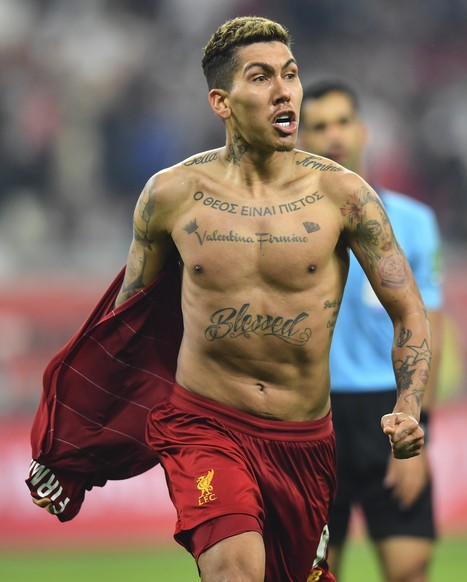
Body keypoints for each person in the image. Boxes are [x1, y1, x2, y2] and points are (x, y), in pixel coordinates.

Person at [32, 17, 432, 582]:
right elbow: (125, 330)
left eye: (290, 75)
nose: (284, 90)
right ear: (221, 101)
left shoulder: (345, 196)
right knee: (235, 573)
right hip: (205, 426)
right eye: (262, 76)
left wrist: (410, 406)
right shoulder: (170, 195)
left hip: (305, 440)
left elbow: (409, 311)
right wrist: (74, 444)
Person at [300, 80, 443, 582]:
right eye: (319, 126)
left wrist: (421, 428)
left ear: (362, 130)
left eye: (342, 122)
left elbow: (430, 328)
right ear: (302, 139)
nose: (333, 135)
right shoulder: (289, 226)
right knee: (311, 572)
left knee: (409, 568)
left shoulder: (414, 221)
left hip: (388, 404)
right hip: (311, 413)